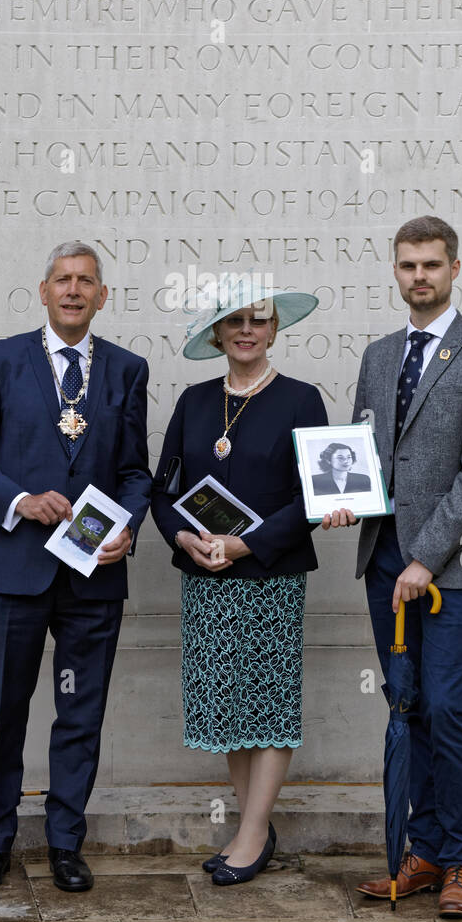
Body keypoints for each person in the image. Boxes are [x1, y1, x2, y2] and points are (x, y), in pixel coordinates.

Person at [323, 217, 462, 917]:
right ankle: (426, 850)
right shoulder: (379, 356)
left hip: (452, 570)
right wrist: (345, 502)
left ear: (456, 269)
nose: (419, 277)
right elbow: (367, 455)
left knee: (446, 707)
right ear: (395, 270)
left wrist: (424, 559)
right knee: (406, 709)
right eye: (408, 265)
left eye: (432, 265)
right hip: (384, 564)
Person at [0, 243, 151, 894]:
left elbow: (134, 473)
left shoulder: (127, 369)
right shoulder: (0, 360)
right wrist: (21, 501)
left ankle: (66, 844)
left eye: (86, 281)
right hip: (12, 572)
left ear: (102, 296)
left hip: (93, 575)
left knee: (80, 715)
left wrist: (124, 526)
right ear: (42, 291)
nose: (73, 289)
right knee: (4, 713)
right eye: (62, 280)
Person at [151, 277, 327, 886]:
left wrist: (244, 542)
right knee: (229, 707)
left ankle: (252, 833)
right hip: (206, 576)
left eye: (259, 320)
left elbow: (315, 496)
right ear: (217, 334)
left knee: (268, 705)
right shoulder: (194, 402)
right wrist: (186, 538)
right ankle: (256, 825)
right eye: (235, 321)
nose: (247, 330)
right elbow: (162, 490)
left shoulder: (303, 399)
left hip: (270, 575)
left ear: (275, 330)